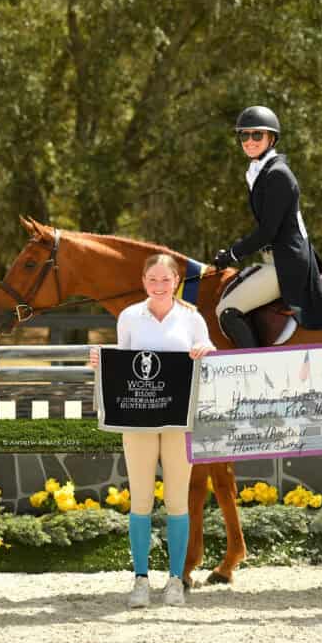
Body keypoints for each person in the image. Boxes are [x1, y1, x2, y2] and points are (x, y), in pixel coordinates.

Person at [88, 254, 214, 608]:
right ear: (143, 281)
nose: (159, 286)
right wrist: (103, 361)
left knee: (177, 500)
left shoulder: (192, 318)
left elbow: (210, 352)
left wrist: (206, 349)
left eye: (165, 279)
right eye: (152, 279)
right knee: (141, 500)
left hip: (179, 422)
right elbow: (122, 362)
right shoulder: (129, 317)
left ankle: (175, 580)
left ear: (176, 282)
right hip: (137, 420)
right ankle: (140, 579)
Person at [213, 105, 322, 348]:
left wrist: (233, 253)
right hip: (275, 259)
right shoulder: (261, 171)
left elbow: (268, 231)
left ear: (271, 138)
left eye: (257, 135)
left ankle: (256, 365)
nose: (249, 141)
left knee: (226, 310)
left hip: (287, 263)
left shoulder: (277, 174)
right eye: (244, 135)